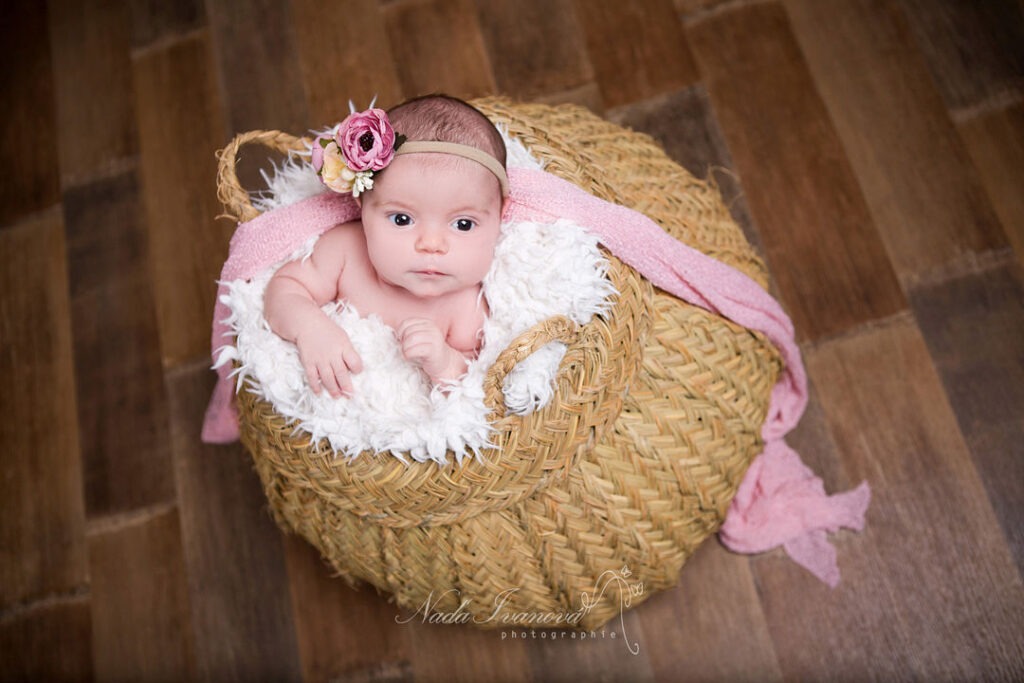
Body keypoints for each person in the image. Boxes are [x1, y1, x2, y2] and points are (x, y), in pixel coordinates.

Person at [263, 95, 509, 399]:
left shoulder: (468, 307)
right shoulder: (345, 252)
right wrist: (310, 328)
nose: (431, 245)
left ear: (500, 216)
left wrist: (444, 362)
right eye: (402, 219)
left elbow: (483, 391)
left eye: (463, 224)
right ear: (362, 206)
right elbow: (285, 287)